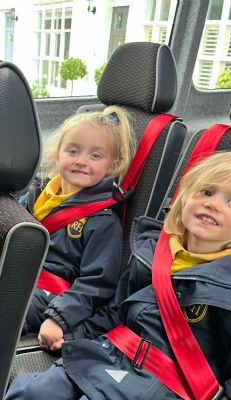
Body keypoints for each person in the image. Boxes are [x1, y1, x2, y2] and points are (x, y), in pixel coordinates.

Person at [0, 151, 231, 400]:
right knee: (30, 394)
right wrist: (73, 335)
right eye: (205, 192)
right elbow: (118, 312)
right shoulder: (155, 252)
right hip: (111, 355)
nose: (214, 205)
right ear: (185, 197)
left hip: (165, 391)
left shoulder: (230, 292)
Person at [19, 106, 135, 351]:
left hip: (53, 294)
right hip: (21, 275)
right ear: (57, 153)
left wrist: (58, 317)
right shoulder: (39, 193)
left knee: (2, 312)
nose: (81, 161)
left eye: (95, 156)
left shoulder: (103, 221)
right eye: (73, 151)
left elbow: (97, 283)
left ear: (112, 165)